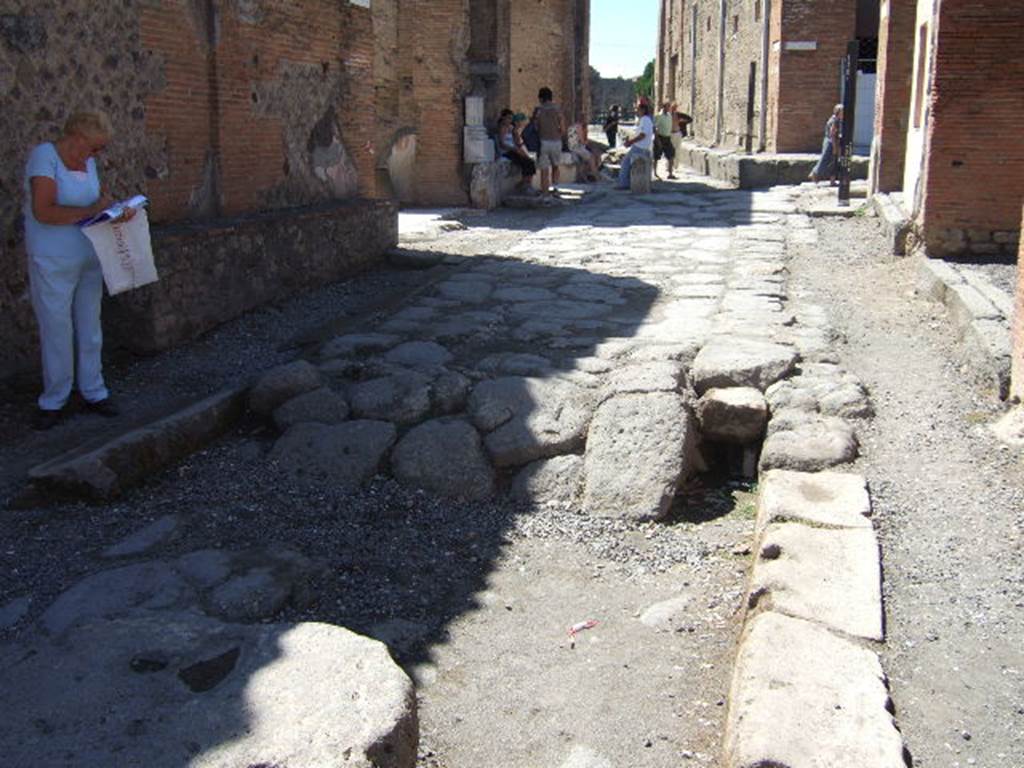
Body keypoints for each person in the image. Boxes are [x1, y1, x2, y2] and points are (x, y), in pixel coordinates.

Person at [23, 110, 136, 430]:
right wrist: (92, 210)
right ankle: (54, 398)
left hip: (88, 255)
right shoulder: (45, 157)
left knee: (90, 326)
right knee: (57, 329)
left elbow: (95, 203)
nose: (97, 154)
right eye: (95, 147)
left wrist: (113, 211)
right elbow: (43, 211)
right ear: (77, 138)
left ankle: (93, 390)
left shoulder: (87, 162)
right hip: (53, 259)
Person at [615, 102, 655, 190]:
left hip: (640, 147)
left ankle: (623, 184)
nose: (636, 111)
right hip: (641, 146)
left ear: (643, 110)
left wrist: (631, 142)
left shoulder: (645, 120)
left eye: (638, 109)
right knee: (627, 162)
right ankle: (628, 182)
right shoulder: (644, 120)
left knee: (625, 163)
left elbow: (643, 135)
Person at [534, 86, 566, 194]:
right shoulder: (557, 110)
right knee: (556, 165)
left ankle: (545, 191)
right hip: (556, 141)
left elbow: (535, 126)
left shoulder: (538, 110)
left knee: (544, 168)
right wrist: (559, 134)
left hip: (543, 141)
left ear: (541, 98)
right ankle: (555, 187)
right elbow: (562, 127)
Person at [497, 109, 537, 193]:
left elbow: (517, 141)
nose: (509, 120)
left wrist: (516, 134)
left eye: (511, 118)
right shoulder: (502, 128)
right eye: (508, 118)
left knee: (530, 162)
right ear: (503, 118)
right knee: (526, 161)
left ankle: (526, 183)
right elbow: (502, 144)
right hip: (506, 151)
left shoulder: (511, 128)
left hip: (514, 150)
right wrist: (514, 149)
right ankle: (524, 184)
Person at [811, 104, 843, 184]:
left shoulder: (837, 120)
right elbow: (832, 133)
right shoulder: (834, 120)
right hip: (831, 142)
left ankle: (832, 180)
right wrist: (835, 147)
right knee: (826, 159)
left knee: (834, 161)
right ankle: (815, 174)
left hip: (832, 141)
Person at [653, 101, 677, 180]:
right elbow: (655, 128)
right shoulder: (659, 116)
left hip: (667, 138)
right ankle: (655, 173)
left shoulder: (669, 115)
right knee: (656, 156)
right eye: (668, 106)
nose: (669, 108)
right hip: (660, 137)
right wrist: (657, 140)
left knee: (671, 154)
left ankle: (670, 173)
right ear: (664, 107)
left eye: (669, 106)